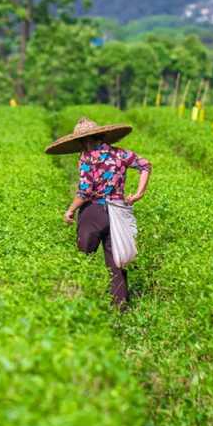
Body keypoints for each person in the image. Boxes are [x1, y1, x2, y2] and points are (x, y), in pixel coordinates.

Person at [45, 116, 152, 309]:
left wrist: (70, 210)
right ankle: (120, 306)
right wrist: (138, 193)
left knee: (83, 257)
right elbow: (145, 165)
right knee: (116, 261)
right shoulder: (120, 154)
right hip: (117, 212)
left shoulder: (87, 158)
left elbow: (85, 192)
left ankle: (80, 300)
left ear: (84, 140)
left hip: (93, 212)